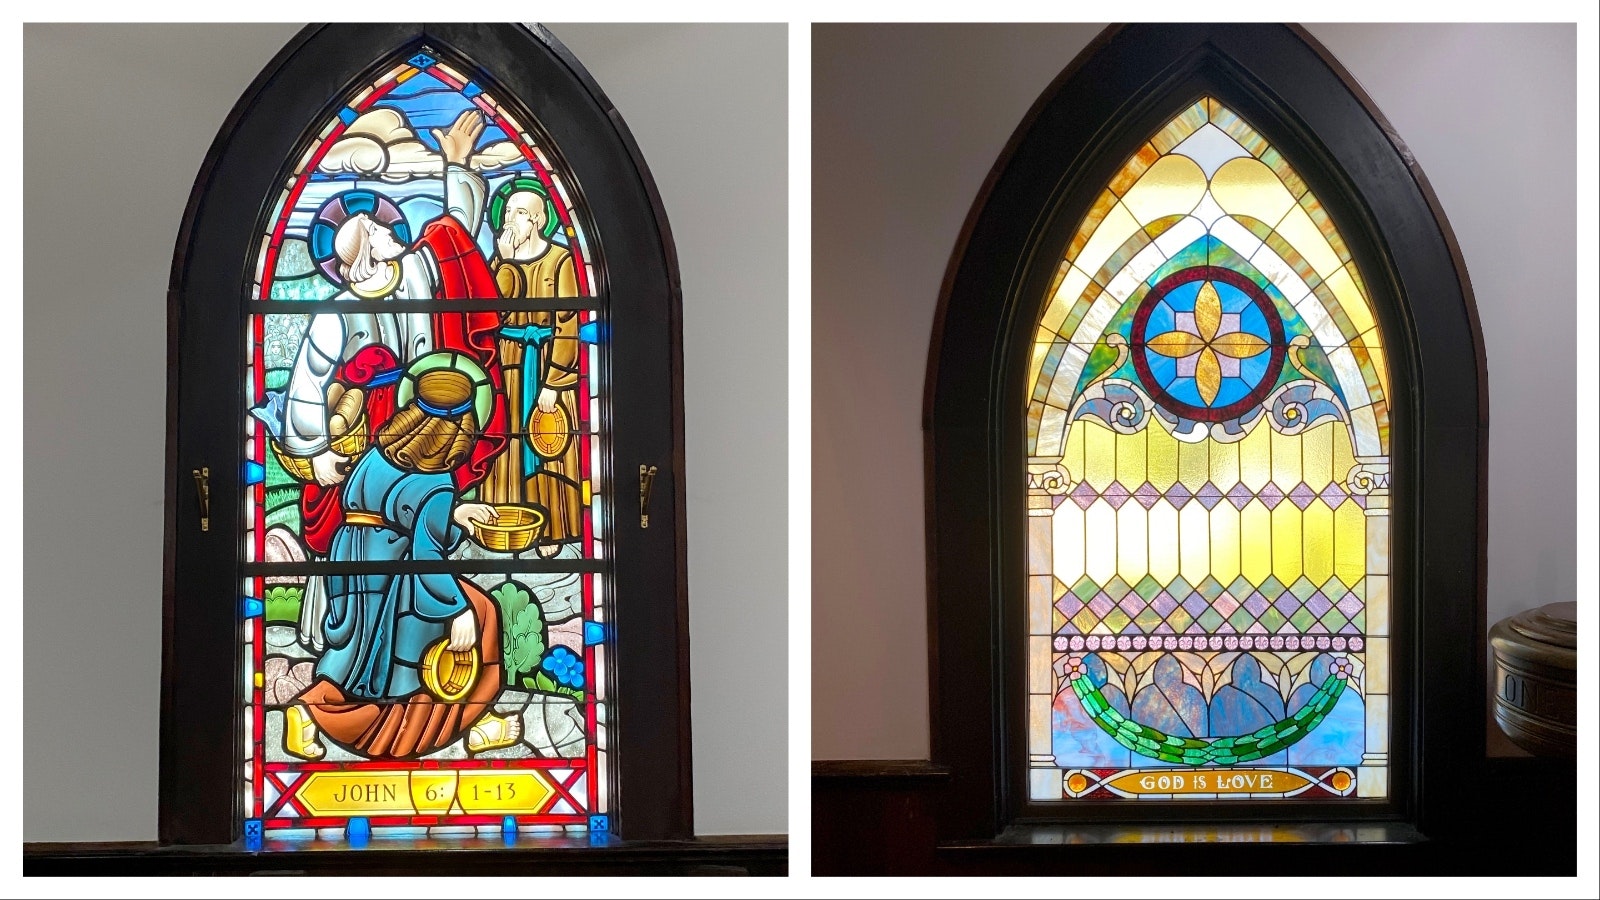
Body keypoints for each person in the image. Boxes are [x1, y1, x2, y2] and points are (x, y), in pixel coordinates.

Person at [284, 360, 522, 760]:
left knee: (356, 651)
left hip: (352, 554)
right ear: (461, 430)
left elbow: (392, 506)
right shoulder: (438, 481)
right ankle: (475, 723)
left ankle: (309, 712)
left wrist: (456, 514)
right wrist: (457, 609)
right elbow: (427, 553)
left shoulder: (378, 453)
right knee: (480, 616)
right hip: (399, 567)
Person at [481, 179, 591, 557]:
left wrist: (555, 382)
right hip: (509, 366)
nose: (512, 220)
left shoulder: (560, 260)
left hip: (545, 367)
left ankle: (553, 531)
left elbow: (568, 323)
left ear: (540, 220)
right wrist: (504, 262)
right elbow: (495, 313)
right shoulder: (499, 262)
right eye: (509, 213)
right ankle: (501, 524)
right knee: (506, 443)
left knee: (551, 445)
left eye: (522, 214)